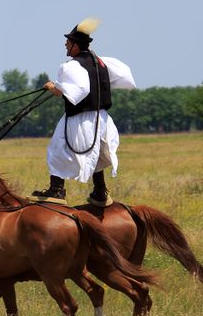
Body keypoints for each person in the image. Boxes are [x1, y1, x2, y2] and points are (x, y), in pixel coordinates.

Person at [32, 18, 136, 206]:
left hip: (80, 118)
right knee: (95, 152)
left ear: (75, 46)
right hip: (102, 118)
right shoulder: (101, 63)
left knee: (56, 149)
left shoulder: (72, 66)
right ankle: (100, 191)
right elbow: (123, 78)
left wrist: (51, 86)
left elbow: (77, 90)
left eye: (68, 42)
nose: (65, 44)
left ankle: (56, 190)